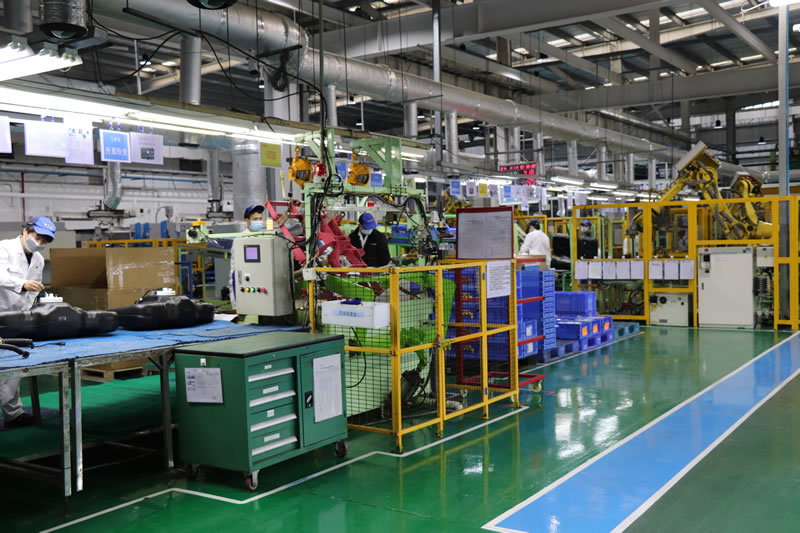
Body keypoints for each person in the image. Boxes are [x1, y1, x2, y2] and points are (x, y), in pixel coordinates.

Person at [0, 216, 56, 429]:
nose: (39, 243)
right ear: (25, 231)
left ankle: (14, 415)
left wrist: (27, 313)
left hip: (15, 318)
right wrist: (22, 283)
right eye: (37, 237)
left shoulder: (38, 259)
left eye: (44, 241)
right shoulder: (4, 249)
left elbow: (33, 291)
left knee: (14, 366)